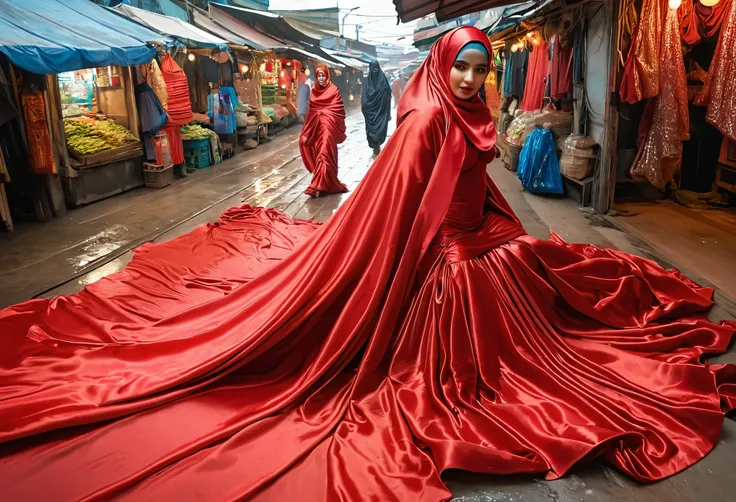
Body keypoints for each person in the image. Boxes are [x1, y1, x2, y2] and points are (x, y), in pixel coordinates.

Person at [0, 28, 734, 502]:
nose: (475, 81)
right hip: (438, 251)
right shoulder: (422, 123)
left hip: (475, 236)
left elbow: (472, 190)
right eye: (465, 68)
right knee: (474, 287)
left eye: (482, 69)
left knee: (534, 266)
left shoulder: (467, 112)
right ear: (443, 68)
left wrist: (494, 233)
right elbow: (402, 210)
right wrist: (427, 255)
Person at [298, 64, 347, 198]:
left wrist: (325, 114)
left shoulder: (334, 90)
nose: (321, 78)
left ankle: (319, 185)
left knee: (325, 154)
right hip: (317, 129)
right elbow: (311, 113)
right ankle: (324, 184)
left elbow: (339, 110)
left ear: (327, 76)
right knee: (320, 154)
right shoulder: (313, 91)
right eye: (319, 75)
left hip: (328, 129)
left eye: (323, 75)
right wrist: (307, 132)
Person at [361, 61, 392, 155]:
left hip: (381, 112)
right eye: (373, 69)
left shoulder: (383, 81)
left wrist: (387, 112)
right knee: (371, 130)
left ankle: (377, 145)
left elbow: (388, 95)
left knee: (380, 129)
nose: (375, 71)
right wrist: (365, 108)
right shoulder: (366, 81)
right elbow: (364, 96)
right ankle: (375, 146)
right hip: (370, 112)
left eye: (376, 69)